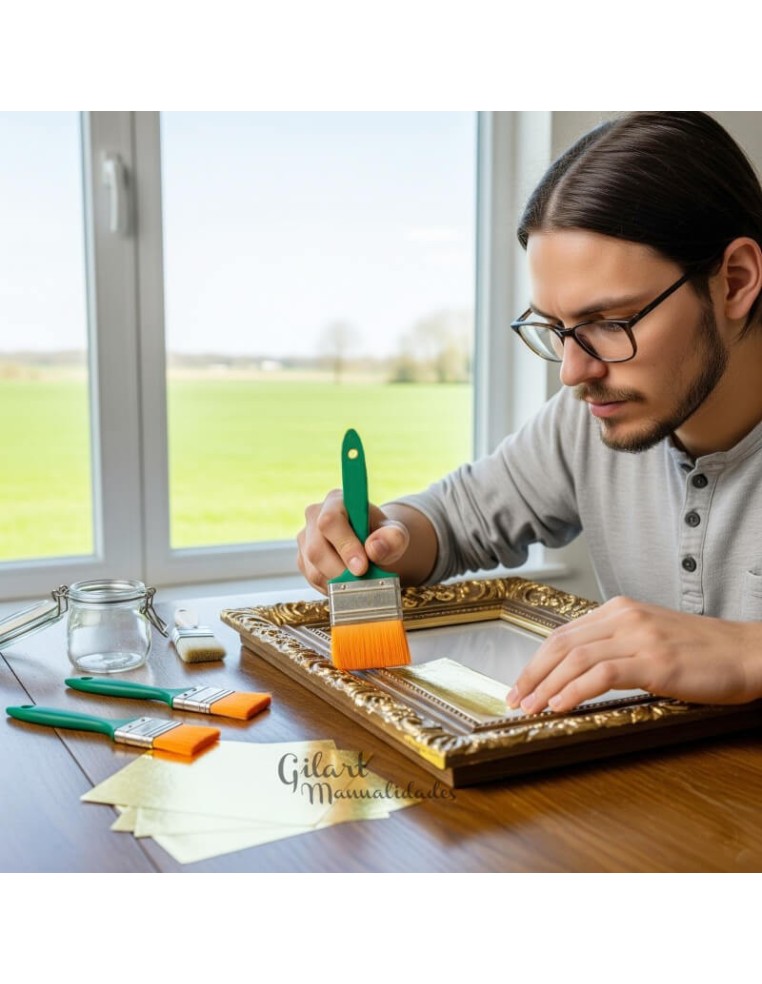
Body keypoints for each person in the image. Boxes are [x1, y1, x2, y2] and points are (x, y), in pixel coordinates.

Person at [297, 111, 762, 715]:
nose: (573, 372)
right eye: (556, 328)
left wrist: (748, 653)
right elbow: (450, 521)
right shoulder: (590, 421)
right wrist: (382, 536)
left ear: (735, 280)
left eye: (608, 322)